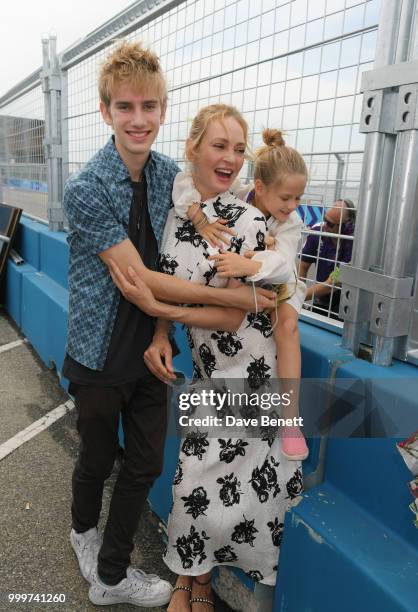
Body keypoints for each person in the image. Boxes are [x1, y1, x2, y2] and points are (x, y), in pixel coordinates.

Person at [63, 43, 275, 609]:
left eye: (150, 107)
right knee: (97, 458)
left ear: (162, 111)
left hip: (154, 352)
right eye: (126, 107)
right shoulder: (84, 189)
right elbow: (139, 278)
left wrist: (167, 328)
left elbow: (180, 254)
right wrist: (233, 299)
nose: (139, 119)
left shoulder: (168, 179)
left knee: (145, 463)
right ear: (106, 112)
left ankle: (111, 574)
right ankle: (83, 533)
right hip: (98, 351)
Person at [110, 104, 304, 611]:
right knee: (201, 478)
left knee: (240, 489)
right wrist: (160, 327)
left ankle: (201, 582)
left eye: (239, 150)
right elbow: (183, 277)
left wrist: (157, 301)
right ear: (193, 146)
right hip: (210, 368)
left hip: (252, 368)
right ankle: (191, 581)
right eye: (220, 146)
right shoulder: (176, 210)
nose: (231, 159)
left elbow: (240, 312)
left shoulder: (250, 220)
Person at [170, 129, 309, 461]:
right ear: (259, 187)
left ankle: (290, 420)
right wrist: (198, 217)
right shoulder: (238, 195)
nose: (292, 207)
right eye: (286, 198)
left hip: (279, 280)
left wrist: (248, 263)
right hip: (242, 280)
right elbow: (183, 182)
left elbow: (283, 266)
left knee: (287, 327)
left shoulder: (290, 224)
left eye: (298, 199)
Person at [299, 199, 355, 318]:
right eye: (324, 219)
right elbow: (303, 266)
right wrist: (299, 291)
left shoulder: (353, 243)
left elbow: (333, 282)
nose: (325, 226)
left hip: (346, 303)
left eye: (330, 224)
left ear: (347, 225)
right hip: (320, 298)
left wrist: (297, 297)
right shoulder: (317, 233)